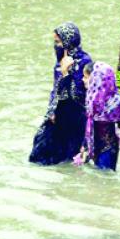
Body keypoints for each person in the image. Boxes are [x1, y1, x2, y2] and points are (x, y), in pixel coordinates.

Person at [29, 22, 92, 166]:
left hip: (76, 118)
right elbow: (55, 90)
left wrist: (66, 74)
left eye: (58, 42)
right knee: (40, 156)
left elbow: (78, 95)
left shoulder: (84, 62)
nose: (56, 46)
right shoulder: (59, 63)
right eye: (55, 42)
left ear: (68, 42)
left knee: (71, 158)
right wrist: (51, 111)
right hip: (58, 114)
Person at [75, 62, 120, 171]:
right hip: (95, 146)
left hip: (108, 147)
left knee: (105, 176)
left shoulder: (113, 101)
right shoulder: (90, 98)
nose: (83, 80)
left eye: (85, 77)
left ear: (96, 79)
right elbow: (90, 125)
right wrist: (84, 146)